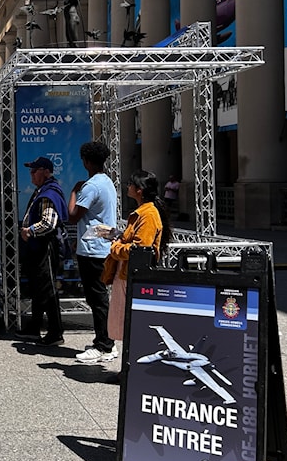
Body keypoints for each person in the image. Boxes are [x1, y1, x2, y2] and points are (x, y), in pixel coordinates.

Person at [101, 169, 172, 384]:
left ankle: (131, 372)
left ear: (139, 190)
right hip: (125, 275)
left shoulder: (148, 215)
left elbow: (140, 250)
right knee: (126, 325)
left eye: (130, 184)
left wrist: (115, 247)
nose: (127, 187)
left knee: (131, 325)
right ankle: (129, 370)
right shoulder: (144, 212)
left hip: (131, 276)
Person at [67, 142, 119, 364]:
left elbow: (72, 215)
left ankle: (104, 346)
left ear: (86, 161)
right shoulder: (106, 182)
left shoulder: (89, 187)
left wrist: (73, 191)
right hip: (103, 247)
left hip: (92, 250)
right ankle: (106, 341)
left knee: (97, 299)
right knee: (99, 298)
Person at [16, 156, 68, 346]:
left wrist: (29, 231)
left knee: (48, 289)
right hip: (38, 248)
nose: (31, 175)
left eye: (35, 171)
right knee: (39, 289)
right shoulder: (43, 191)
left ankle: (55, 332)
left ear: (46, 172)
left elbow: (49, 223)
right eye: (30, 171)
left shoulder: (49, 193)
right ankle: (34, 328)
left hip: (45, 247)